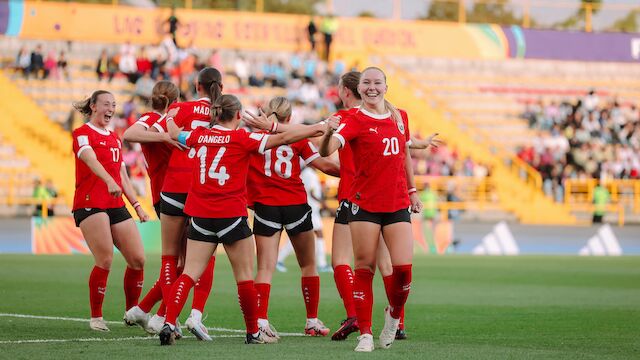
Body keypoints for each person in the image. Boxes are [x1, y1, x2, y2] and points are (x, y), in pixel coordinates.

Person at [159, 94, 326, 345]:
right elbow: (283, 138)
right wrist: (316, 128)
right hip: (231, 215)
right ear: (238, 115)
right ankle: (254, 332)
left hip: (200, 214)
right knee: (245, 276)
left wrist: (170, 119)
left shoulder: (198, 136)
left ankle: (169, 322)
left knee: (190, 273)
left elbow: (174, 134)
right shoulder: (242, 138)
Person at [319, 67, 422, 352]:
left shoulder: (400, 117)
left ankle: (394, 315)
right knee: (365, 269)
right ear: (359, 88)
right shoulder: (353, 119)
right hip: (364, 204)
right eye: (367, 83)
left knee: (403, 272)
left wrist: (412, 191)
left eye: (377, 82)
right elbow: (328, 150)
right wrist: (329, 134)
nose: (372, 87)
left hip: (397, 203)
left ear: (386, 87)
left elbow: (405, 154)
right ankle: (365, 333)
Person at [245, 97, 340, 340]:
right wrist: (357, 171)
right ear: (289, 119)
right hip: (296, 205)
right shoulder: (298, 138)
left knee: (265, 267)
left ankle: (261, 321)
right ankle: (311, 321)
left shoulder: (254, 139)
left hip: (266, 206)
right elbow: (326, 166)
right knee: (308, 265)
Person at [152, 68, 224, 341]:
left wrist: (171, 128)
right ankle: (195, 314)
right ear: (220, 86)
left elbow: (151, 132)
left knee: (170, 258)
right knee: (204, 257)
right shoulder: (224, 111)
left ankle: (168, 320)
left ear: (197, 86)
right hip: (203, 190)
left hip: (172, 188)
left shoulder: (181, 109)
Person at [71, 90, 149, 332]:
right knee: (105, 259)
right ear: (93, 106)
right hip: (90, 201)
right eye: (106, 104)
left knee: (138, 259)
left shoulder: (115, 137)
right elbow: (90, 159)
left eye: (113, 105)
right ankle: (96, 316)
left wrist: (136, 205)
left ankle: (132, 313)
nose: (110, 109)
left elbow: (122, 175)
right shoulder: (82, 134)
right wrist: (108, 181)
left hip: (115, 203)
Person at [122, 80, 188, 333]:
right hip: (175, 194)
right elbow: (128, 135)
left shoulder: (152, 121)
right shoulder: (162, 122)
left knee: (181, 262)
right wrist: (165, 136)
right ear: (175, 101)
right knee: (181, 262)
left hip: (163, 195)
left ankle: (144, 310)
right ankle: (162, 315)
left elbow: (130, 134)